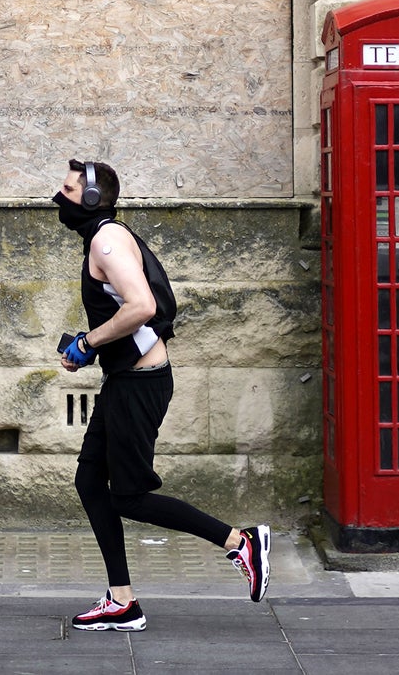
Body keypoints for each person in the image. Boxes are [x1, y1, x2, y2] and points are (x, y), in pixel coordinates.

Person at [53, 156, 270, 632]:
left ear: (91, 199)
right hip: (125, 379)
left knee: (128, 497)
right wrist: (89, 347)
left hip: (139, 385)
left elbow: (142, 306)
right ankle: (122, 601)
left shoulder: (107, 240)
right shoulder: (105, 235)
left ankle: (239, 541)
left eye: (68, 191)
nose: (59, 198)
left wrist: (87, 343)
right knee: (90, 482)